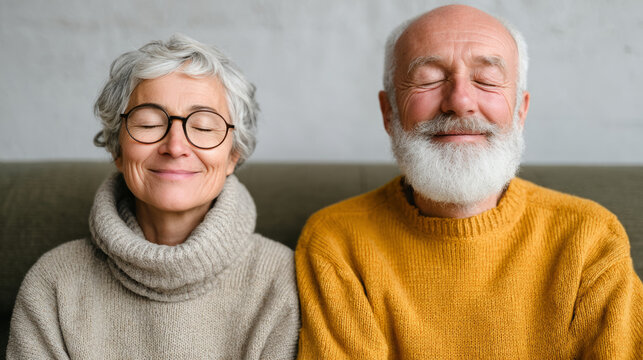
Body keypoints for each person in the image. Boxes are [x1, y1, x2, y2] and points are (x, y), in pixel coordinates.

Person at [296, 5, 643, 359]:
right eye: (430, 79)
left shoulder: (590, 238)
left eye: (487, 80)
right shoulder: (336, 243)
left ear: (520, 111)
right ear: (389, 113)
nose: (460, 102)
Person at [7, 34, 299, 359]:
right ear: (117, 149)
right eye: (148, 123)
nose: (175, 147)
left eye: (203, 127)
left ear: (234, 155)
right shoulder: (54, 282)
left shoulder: (281, 279)